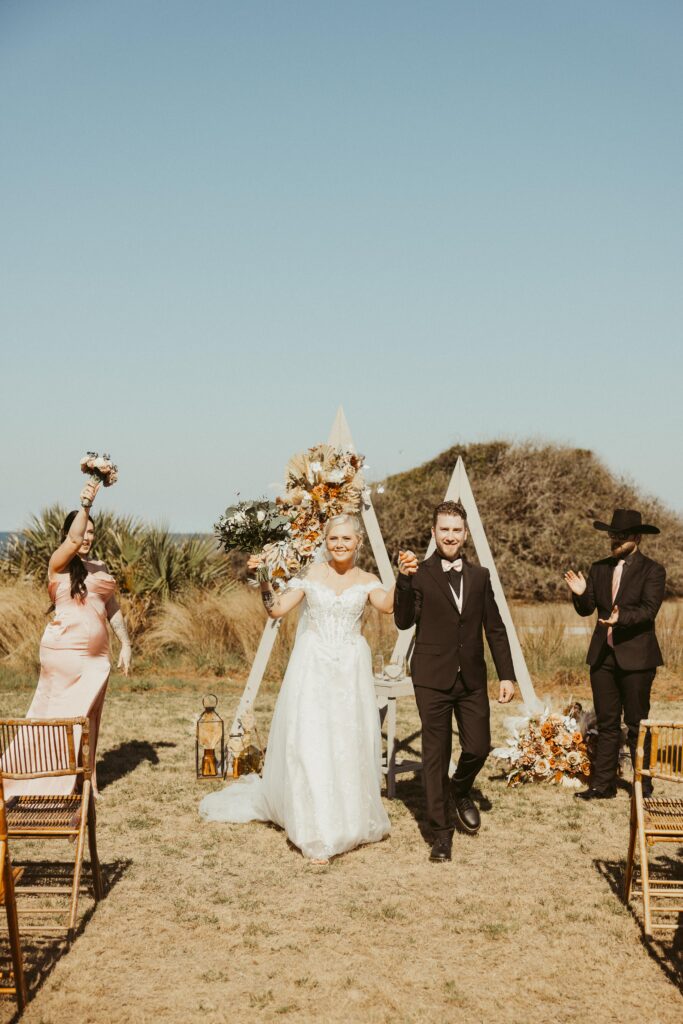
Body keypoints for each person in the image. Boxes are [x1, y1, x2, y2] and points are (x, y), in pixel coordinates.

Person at [199, 514, 393, 863]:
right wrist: (262, 580)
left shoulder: (368, 580)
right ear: (326, 541)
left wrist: (405, 578)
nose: (340, 544)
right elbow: (276, 610)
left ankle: (348, 816)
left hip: (350, 670)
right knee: (311, 739)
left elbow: (388, 605)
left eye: (347, 539)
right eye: (334, 539)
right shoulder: (309, 576)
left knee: (348, 739)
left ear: (358, 542)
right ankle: (311, 822)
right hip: (313, 666)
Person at [394, 500, 516, 863]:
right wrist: (402, 579)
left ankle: (459, 789)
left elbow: (494, 628)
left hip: (472, 678)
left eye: (456, 530)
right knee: (436, 755)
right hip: (431, 678)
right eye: (443, 529)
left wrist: (506, 674)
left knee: (479, 747)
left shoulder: (480, 577)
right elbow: (403, 621)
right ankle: (441, 835)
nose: (450, 535)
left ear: (465, 535)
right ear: (434, 533)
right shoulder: (419, 573)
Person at [3, 480, 132, 799]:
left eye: (91, 533)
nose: (86, 537)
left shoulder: (99, 568)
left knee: (90, 717)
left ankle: (88, 781)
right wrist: (87, 503)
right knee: (57, 716)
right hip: (63, 655)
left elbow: (111, 608)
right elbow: (74, 539)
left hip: (96, 659)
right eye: (82, 532)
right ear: (69, 535)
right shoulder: (58, 565)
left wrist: (126, 644)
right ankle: (43, 773)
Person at [564, 508, 666, 800]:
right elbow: (587, 608)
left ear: (636, 537)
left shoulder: (653, 570)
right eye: (611, 535)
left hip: (637, 659)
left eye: (620, 536)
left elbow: (649, 610)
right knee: (607, 723)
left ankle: (642, 785)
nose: (613, 540)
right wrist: (580, 593)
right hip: (602, 658)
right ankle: (602, 785)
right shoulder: (599, 568)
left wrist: (622, 618)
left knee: (637, 724)